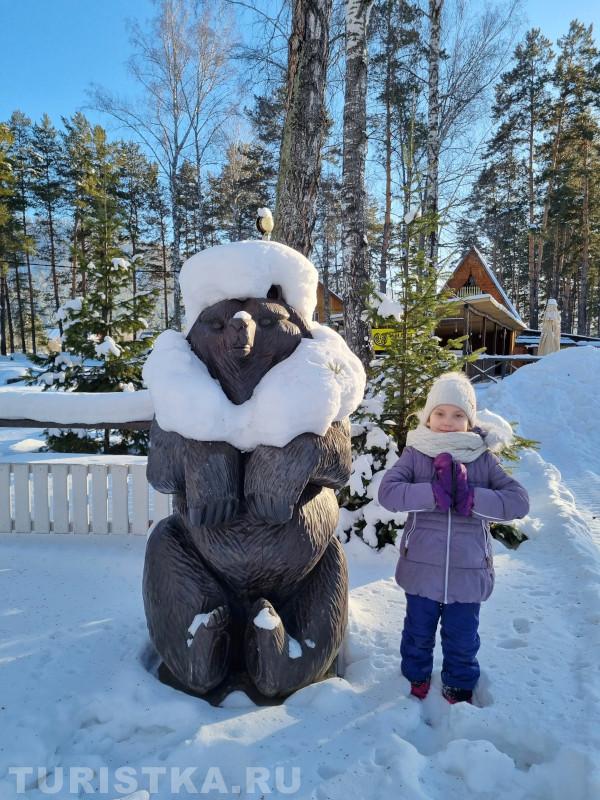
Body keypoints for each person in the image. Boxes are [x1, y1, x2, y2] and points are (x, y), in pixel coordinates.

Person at [378, 371, 529, 704]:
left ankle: (459, 685)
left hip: (467, 569)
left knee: (462, 637)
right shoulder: (416, 454)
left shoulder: (482, 458)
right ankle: (414, 679)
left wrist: (472, 498)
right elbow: (388, 493)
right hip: (422, 568)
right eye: (440, 413)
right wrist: (432, 493)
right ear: (429, 416)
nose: (448, 421)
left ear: (470, 420)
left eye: (458, 414)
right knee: (417, 633)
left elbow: (518, 501)